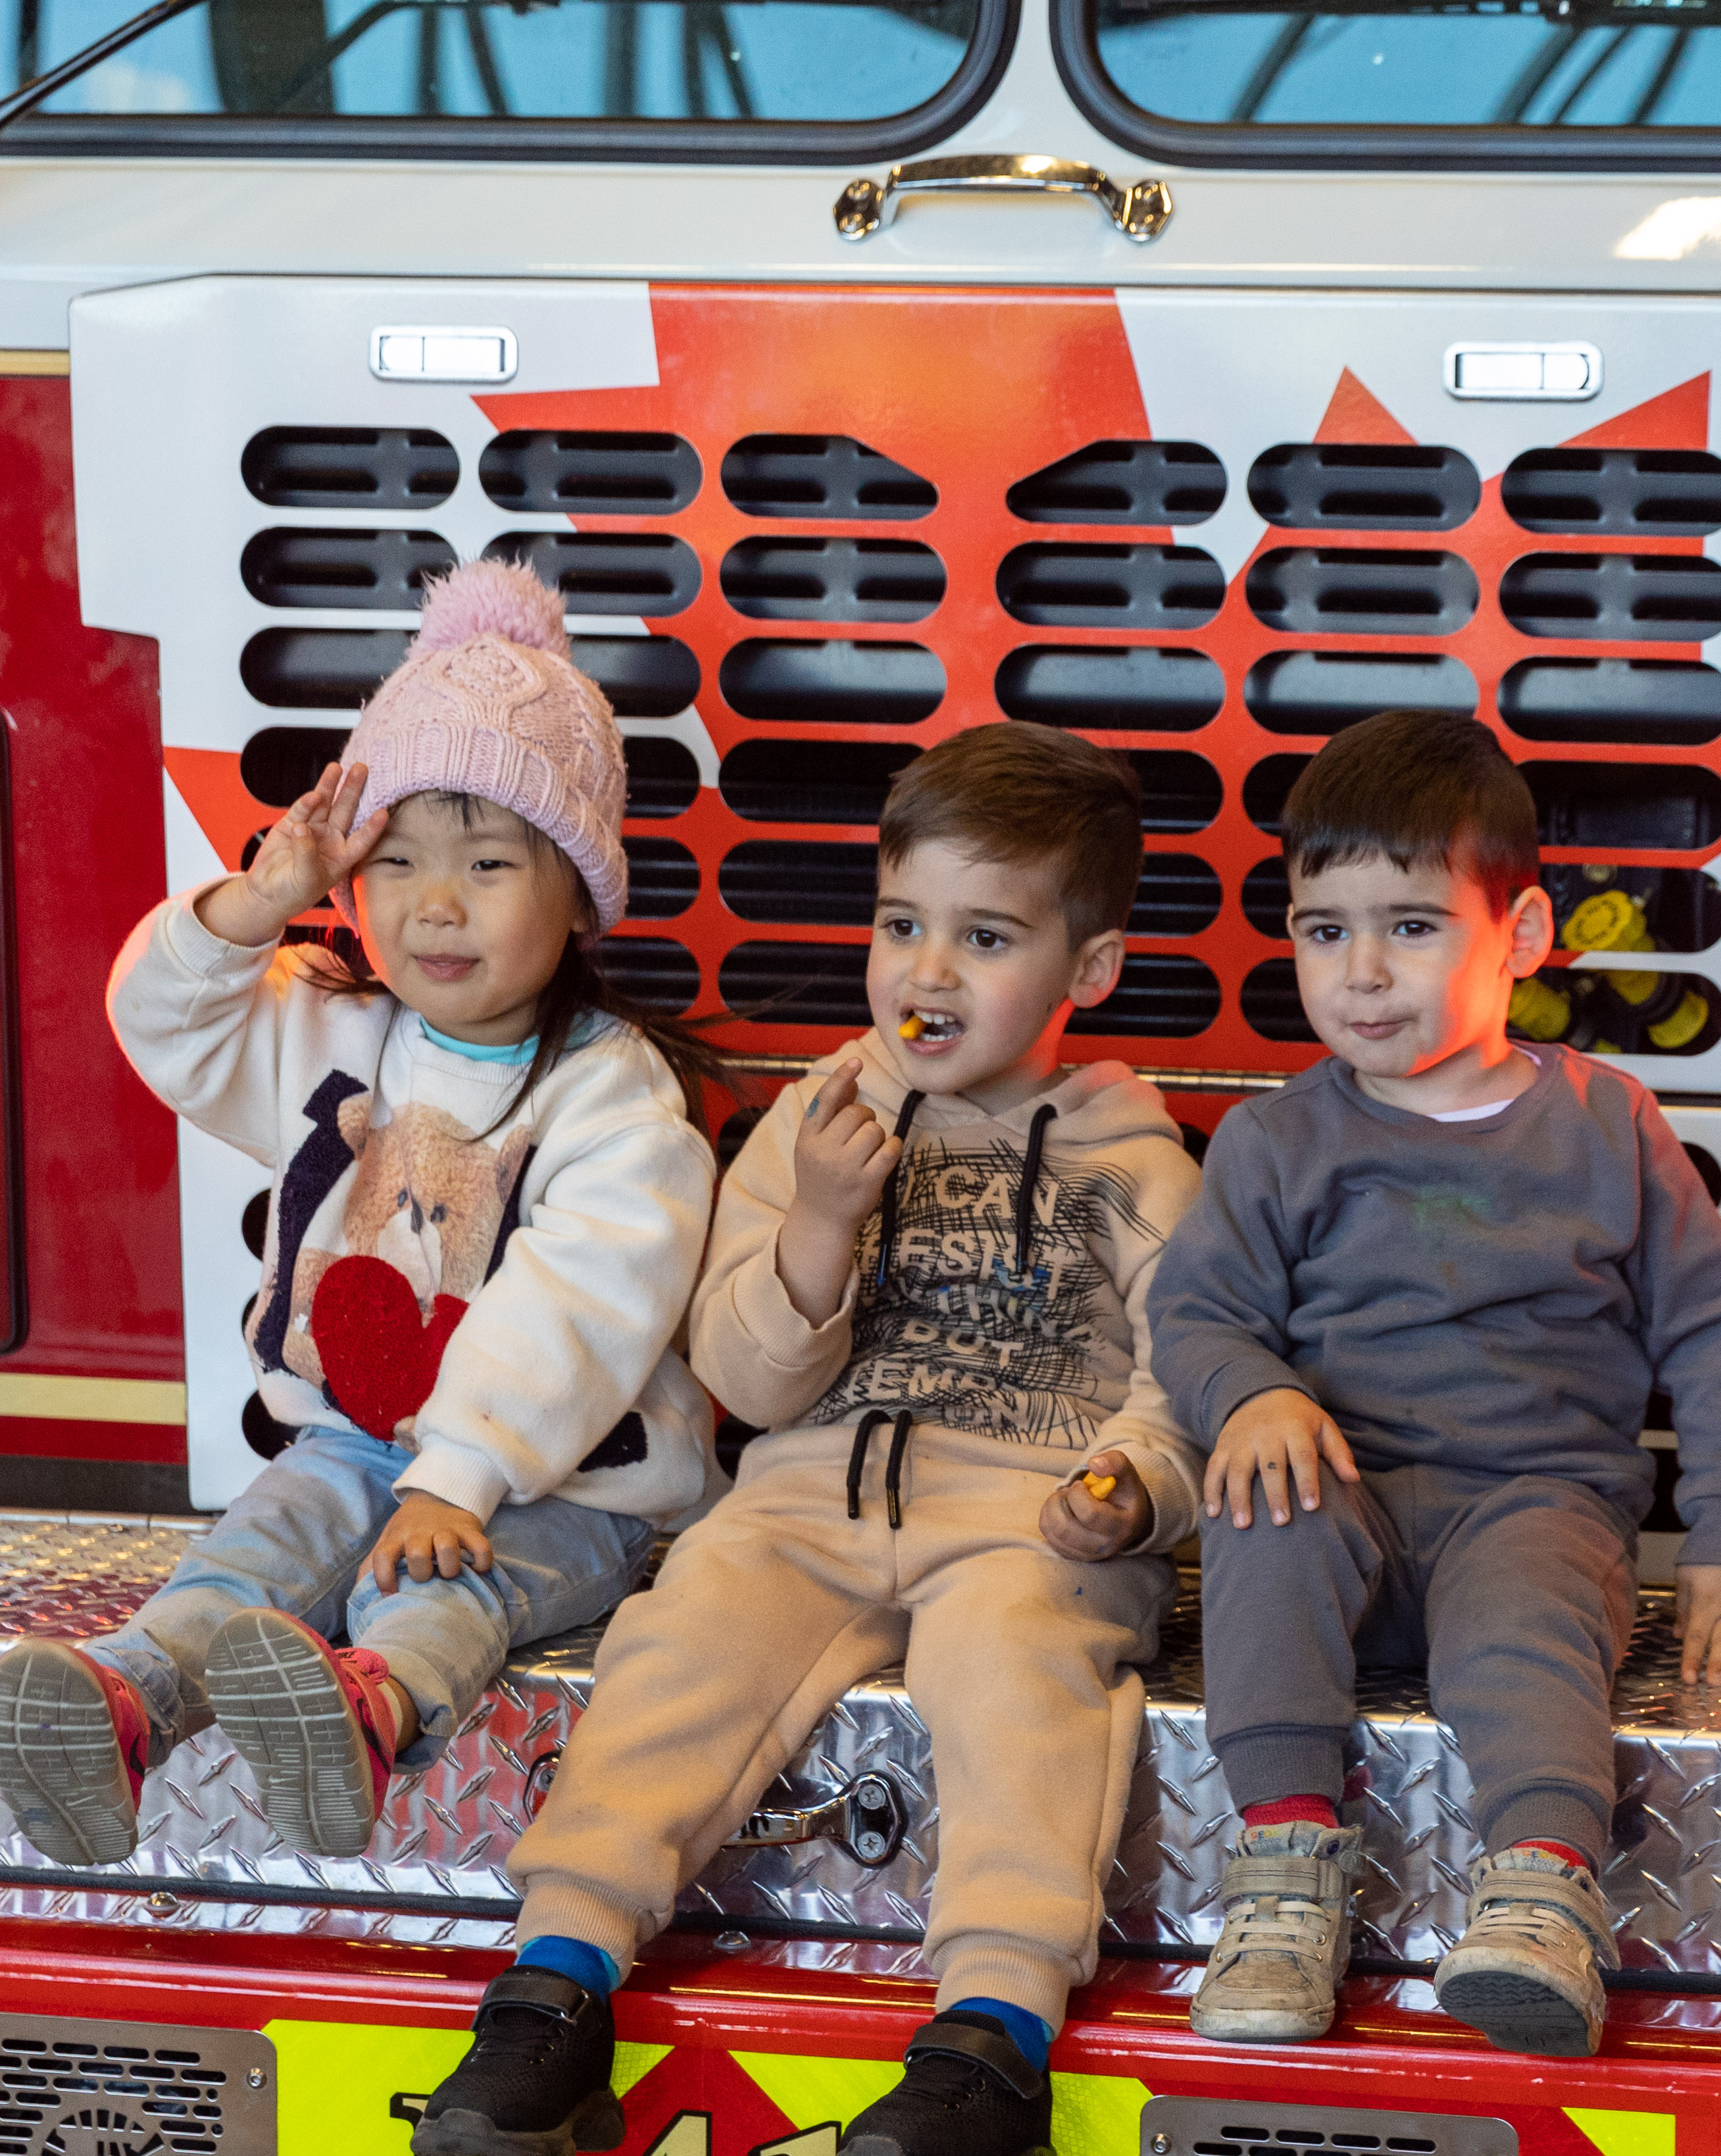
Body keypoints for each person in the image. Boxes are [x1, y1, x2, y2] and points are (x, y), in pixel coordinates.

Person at [411, 722, 1204, 2156]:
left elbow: (1196, 1368)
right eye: (902, 925)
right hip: (805, 1498)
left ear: (1087, 972)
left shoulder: (1136, 1161)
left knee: (1021, 1676)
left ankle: (992, 2034)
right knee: (683, 1635)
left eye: (986, 935)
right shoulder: (818, 1118)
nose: (928, 972)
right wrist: (822, 1232)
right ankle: (556, 1977)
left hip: (1030, 1520)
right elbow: (741, 1375)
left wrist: (1131, 1484)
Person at [0, 561, 719, 1867]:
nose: (438, 904)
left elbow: (578, 1302)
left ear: (579, 888)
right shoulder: (343, 1035)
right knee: (265, 1543)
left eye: (489, 863)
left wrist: (460, 1474)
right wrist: (256, 905)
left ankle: (372, 1708)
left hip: (558, 1479)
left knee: (429, 1582)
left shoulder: (614, 1096)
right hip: (358, 1443)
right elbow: (162, 1026)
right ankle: (123, 1699)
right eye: (400, 863)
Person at [1149, 709, 1721, 2057]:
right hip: (1346, 1501)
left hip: (1530, 1498)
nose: (1363, 973)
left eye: (1412, 927)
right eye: (1325, 932)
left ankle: (1543, 1888)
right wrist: (1254, 1394)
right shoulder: (1276, 1140)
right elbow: (1199, 1313)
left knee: (1522, 1613)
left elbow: (1719, 1332)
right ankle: (1280, 1869)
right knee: (1261, 1513)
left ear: (1527, 934)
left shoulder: (1607, 1124)